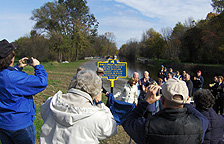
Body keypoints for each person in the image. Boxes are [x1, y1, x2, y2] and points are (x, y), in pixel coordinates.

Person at [122, 78, 209, 144]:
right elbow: (202, 117)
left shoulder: (148, 126)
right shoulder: (200, 124)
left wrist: (146, 102)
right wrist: (185, 103)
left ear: (162, 100)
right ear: (186, 99)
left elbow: (128, 121)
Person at [40, 70, 117, 144]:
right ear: (96, 91)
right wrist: (100, 103)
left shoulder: (51, 103)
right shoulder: (97, 117)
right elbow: (111, 129)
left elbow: (43, 112)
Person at [0, 39, 48, 144]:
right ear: (11, 59)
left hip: (3, 124)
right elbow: (42, 82)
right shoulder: (14, 78)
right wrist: (37, 66)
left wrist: (17, 68)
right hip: (20, 125)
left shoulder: (7, 75)